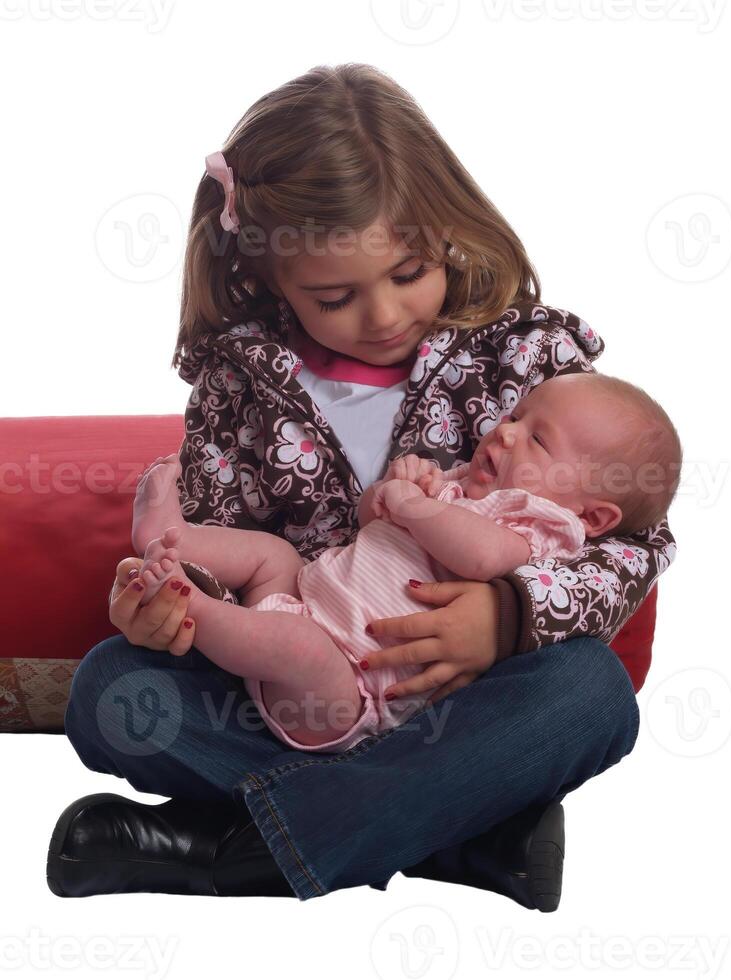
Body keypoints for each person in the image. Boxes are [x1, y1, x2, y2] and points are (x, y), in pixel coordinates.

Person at [47, 64, 676, 911]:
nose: (382, 315)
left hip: (463, 703)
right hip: (298, 692)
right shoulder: (239, 387)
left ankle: (227, 856)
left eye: (410, 271)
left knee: (589, 697)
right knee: (114, 691)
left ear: (450, 232)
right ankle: (453, 829)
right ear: (269, 278)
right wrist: (170, 603)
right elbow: (221, 549)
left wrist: (508, 615)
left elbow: (633, 540)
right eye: (336, 296)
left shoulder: (525, 360)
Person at [125, 371, 681, 755]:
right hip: (301, 594)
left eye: (537, 439)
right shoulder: (465, 484)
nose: (506, 430)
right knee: (271, 556)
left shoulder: (544, 525)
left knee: (295, 648)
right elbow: (372, 526)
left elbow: (486, 557)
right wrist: (391, 493)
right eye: (516, 414)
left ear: (596, 516)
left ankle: (191, 605)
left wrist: (417, 508)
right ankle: (168, 533)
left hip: (347, 687)